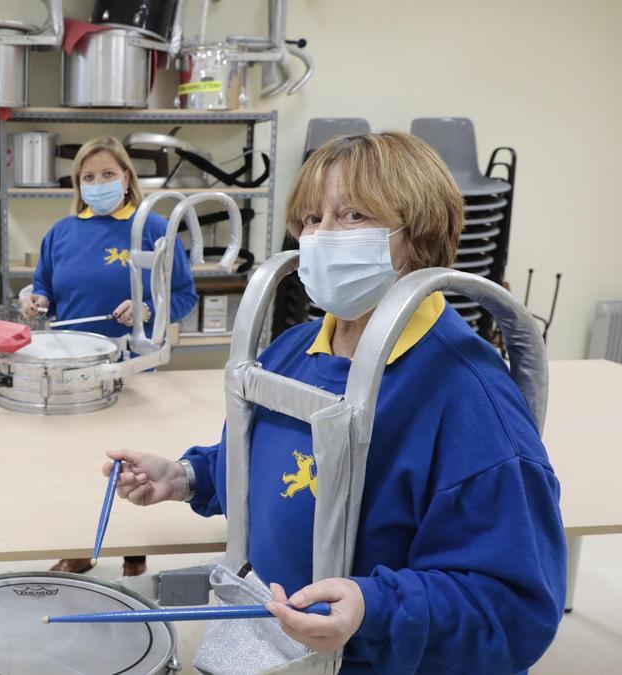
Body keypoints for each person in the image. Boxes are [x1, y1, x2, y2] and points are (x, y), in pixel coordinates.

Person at [102, 132, 565, 673]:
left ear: (417, 235)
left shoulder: (470, 399)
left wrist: (374, 607)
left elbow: (515, 606)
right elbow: (273, 469)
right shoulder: (292, 350)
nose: (321, 237)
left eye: (351, 216)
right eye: (311, 219)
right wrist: (187, 477)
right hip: (270, 639)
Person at [21, 136, 198, 578]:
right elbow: (42, 285)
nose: (97, 184)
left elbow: (184, 294)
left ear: (126, 179)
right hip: (73, 369)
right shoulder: (61, 233)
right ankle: (81, 546)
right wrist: (36, 300)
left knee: (130, 465)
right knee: (75, 461)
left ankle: (133, 551)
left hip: (133, 367)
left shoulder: (152, 228)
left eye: (107, 175)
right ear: (78, 185)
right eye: (88, 177)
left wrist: (148, 309)